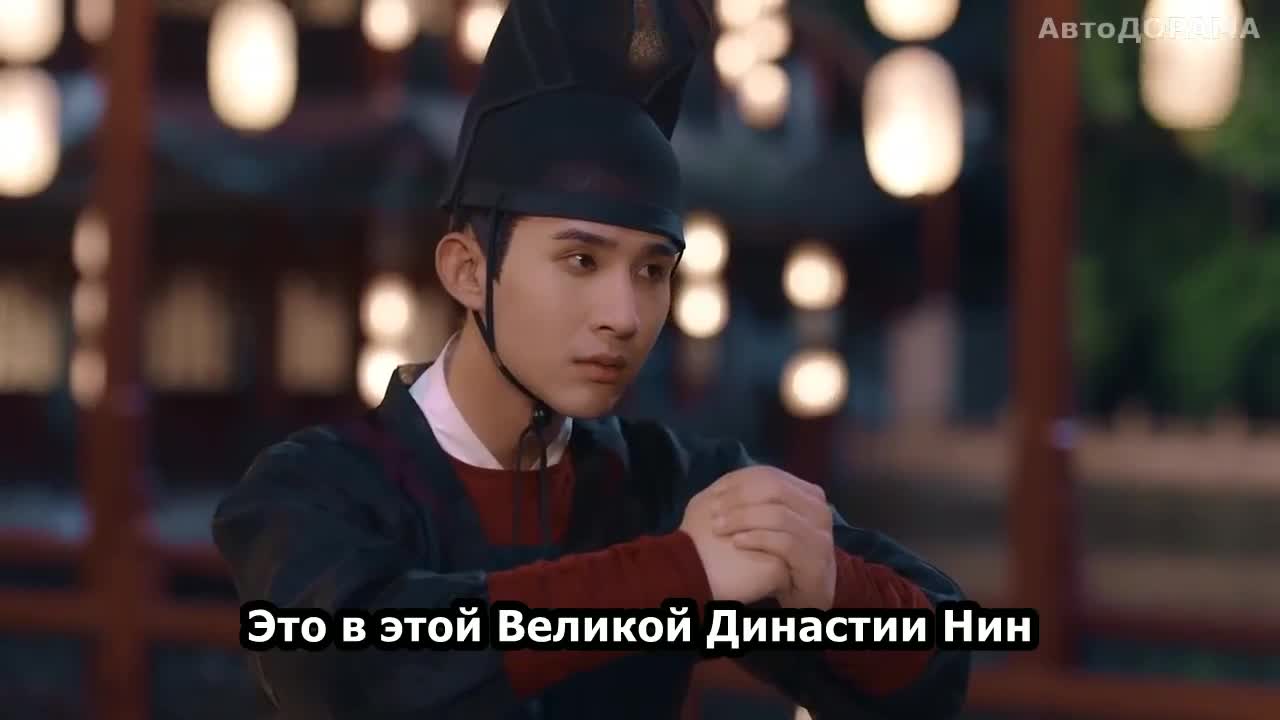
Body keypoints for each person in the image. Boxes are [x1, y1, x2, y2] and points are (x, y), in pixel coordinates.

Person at [211, 0, 971, 718]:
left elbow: (943, 652)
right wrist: (680, 573)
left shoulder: (667, 484)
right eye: (581, 261)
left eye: (653, 270)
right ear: (468, 270)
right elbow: (354, 661)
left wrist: (834, 586)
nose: (625, 315)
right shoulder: (317, 487)